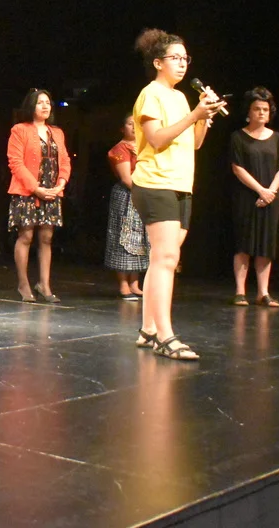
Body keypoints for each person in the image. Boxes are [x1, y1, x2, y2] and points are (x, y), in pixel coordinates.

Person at [130, 28, 224, 360]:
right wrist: (194, 115)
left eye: (186, 58)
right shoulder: (151, 94)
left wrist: (203, 118)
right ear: (158, 63)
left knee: (163, 258)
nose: (183, 64)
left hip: (181, 184)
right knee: (167, 259)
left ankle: (148, 328)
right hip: (156, 183)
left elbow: (193, 143)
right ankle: (165, 336)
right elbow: (157, 139)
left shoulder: (181, 98)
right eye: (176, 58)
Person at [6, 89, 71, 303]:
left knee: (46, 238)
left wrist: (61, 184)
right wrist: (35, 188)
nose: (45, 106)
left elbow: (65, 161)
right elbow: (15, 163)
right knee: (26, 236)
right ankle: (23, 284)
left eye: (48, 103)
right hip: (27, 190)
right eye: (40, 102)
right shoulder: (20, 130)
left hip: (52, 191)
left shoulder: (57, 132)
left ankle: (44, 284)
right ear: (31, 106)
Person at [230, 87, 279, 308]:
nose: (261, 113)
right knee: (244, 243)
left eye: (265, 109)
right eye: (257, 109)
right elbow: (237, 168)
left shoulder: (277, 138)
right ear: (249, 111)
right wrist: (260, 190)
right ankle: (240, 291)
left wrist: (270, 192)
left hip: (271, 197)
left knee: (266, 244)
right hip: (247, 196)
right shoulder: (238, 137)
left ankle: (263, 292)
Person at [104, 115, 148, 300]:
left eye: (137, 124)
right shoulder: (119, 149)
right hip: (127, 195)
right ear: (123, 128)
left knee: (140, 239)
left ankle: (135, 283)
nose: (134, 127)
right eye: (130, 124)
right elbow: (126, 179)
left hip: (144, 194)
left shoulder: (145, 146)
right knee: (123, 238)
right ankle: (123, 284)